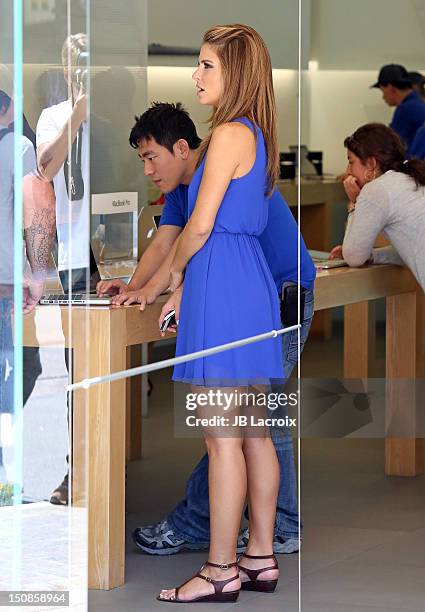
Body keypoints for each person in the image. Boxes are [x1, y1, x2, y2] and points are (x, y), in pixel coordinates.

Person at [97, 101, 315, 556]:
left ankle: (264, 528)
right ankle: (255, 540)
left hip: (278, 298)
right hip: (246, 301)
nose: (148, 169)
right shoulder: (183, 186)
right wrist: (134, 288)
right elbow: (166, 242)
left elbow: (190, 243)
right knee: (241, 427)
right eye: (141, 159)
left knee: (246, 425)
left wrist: (168, 285)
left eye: (152, 156)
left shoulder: (219, 168)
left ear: (182, 147)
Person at [151, 24, 295, 604]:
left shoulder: (228, 135)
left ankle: (219, 569)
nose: (196, 75)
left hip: (224, 286)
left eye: (207, 65)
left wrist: (170, 278)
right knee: (254, 434)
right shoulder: (257, 136)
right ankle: (258, 556)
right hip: (249, 285)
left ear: (233, 72)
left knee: (222, 440)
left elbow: (200, 224)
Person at [36, 33, 92, 505]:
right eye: (77, 57)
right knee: (72, 370)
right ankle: (76, 468)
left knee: (108, 366)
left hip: (108, 253)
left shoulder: (115, 122)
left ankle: (106, 459)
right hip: (70, 260)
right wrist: (76, 118)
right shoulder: (55, 117)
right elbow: (46, 168)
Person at [0, 79, 56, 486]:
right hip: (7, 284)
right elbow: (34, 206)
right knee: (22, 368)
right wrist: (38, 273)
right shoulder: (17, 147)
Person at [329, 123, 425, 292]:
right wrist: (373, 256)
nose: (347, 171)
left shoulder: (376, 189)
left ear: (372, 163)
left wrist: (354, 203)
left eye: (351, 162)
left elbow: (353, 256)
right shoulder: (410, 179)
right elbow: (409, 250)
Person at [371, 64, 425, 154]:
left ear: (391, 88)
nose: (383, 97)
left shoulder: (405, 109)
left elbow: (392, 146)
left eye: (383, 91)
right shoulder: (419, 104)